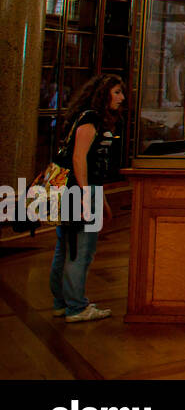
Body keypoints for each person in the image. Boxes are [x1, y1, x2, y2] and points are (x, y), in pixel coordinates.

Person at [50, 73, 124, 322]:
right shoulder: (91, 118)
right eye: (116, 92)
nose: (121, 98)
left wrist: (100, 200)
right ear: (103, 94)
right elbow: (79, 158)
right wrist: (84, 195)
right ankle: (76, 306)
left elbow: (93, 164)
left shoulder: (91, 118)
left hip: (79, 189)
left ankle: (62, 302)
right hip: (78, 190)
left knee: (67, 247)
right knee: (80, 250)